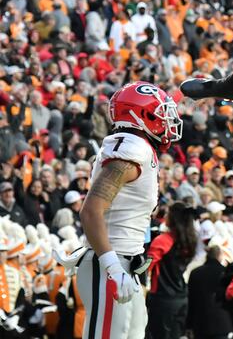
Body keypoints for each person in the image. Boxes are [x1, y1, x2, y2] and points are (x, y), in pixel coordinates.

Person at [58, 81, 182, 339]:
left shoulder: (138, 148)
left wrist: (190, 92)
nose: (168, 120)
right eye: (161, 114)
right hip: (111, 264)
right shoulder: (130, 150)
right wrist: (113, 268)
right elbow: (90, 210)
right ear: (141, 116)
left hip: (127, 264)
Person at [146, 202, 199, 339]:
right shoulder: (189, 241)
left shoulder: (162, 240)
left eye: (168, 213)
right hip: (181, 296)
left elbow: (145, 267)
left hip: (163, 298)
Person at [186, 245, 233, 339]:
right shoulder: (225, 272)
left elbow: (191, 301)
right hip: (222, 323)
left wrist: (188, 325)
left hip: (200, 323)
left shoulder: (195, 273)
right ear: (220, 256)